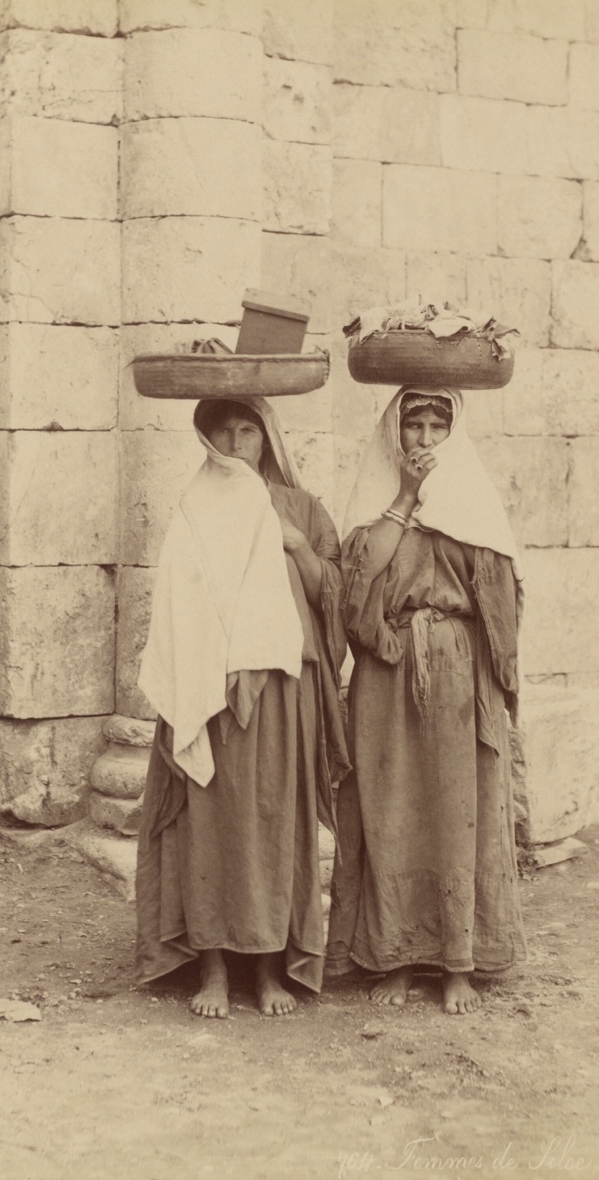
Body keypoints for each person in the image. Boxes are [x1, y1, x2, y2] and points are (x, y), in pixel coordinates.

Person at [135, 397, 350, 1018]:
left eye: (248, 431)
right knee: (209, 821)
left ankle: (268, 969)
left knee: (274, 818)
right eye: (223, 431)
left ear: (268, 439)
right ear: (207, 440)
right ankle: (212, 969)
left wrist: (297, 547)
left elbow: (333, 596)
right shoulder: (193, 508)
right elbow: (177, 602)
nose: (235, 443)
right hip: (205, 685)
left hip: (285, 686)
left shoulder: (303, 508)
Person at [327, 386, 526, 1014]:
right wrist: (408, 499)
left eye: (440, 424)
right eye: (414, 424)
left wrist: (493, 682)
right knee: (391, 810)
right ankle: (394, 957)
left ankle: (457, 964)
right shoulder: (375, 508)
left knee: (457, 811)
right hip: (388, 672)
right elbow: (354, 591)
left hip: (460, 678)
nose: (426, 438)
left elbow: (500, 603)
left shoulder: (475, 506)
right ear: (396, 433)